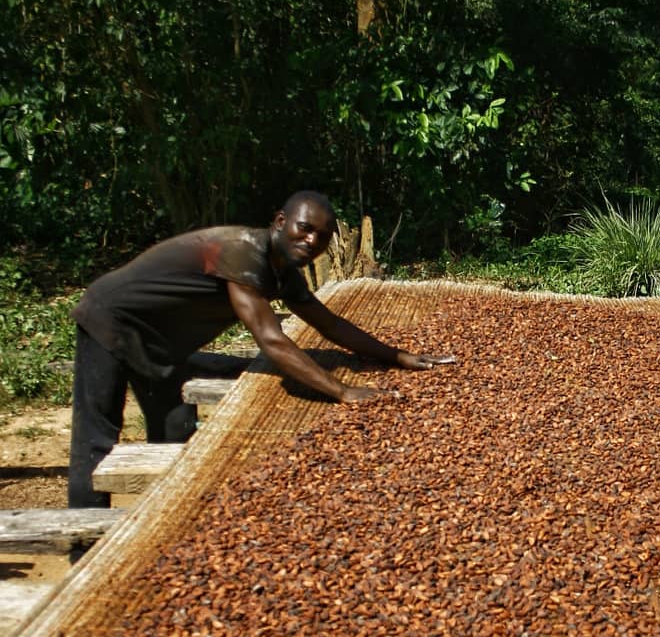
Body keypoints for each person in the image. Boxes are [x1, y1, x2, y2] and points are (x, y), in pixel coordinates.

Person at [68, 191, 453, 508]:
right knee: (97, 439)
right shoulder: (243, 251)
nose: (312, 241)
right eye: (305, 229)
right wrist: (342, 391)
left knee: (175, 429)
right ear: (280, 222)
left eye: (322, 237)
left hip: (160, 341)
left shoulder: (283, 273)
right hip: (111, 317)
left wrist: (397, 356)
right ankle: (82, 548)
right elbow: (271, 340)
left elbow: (330, 324)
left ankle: (160, 517)